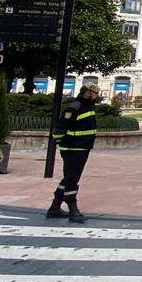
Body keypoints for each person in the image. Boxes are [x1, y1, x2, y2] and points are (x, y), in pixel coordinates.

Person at [47, 82, 100, 223]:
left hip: (82, 148)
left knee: (69, 178)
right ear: (85, 93)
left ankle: (55, 207)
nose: (94, 96)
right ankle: (73, 209)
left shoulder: (87, 107)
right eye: (92, 93)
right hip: (73, 149)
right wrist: (64, 144)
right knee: (72, 179)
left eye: (95, 94)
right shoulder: (74, 108)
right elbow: (59, 130)